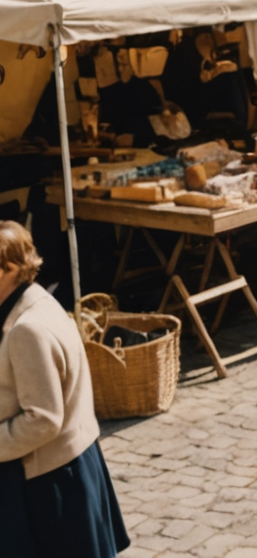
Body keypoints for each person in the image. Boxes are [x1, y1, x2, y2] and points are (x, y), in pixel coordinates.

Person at [0, 222, 129, 556]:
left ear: (10, 269)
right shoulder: (35, 298)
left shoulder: (26, 328)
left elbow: (42, 419)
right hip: (67, 463)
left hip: (49, 478)